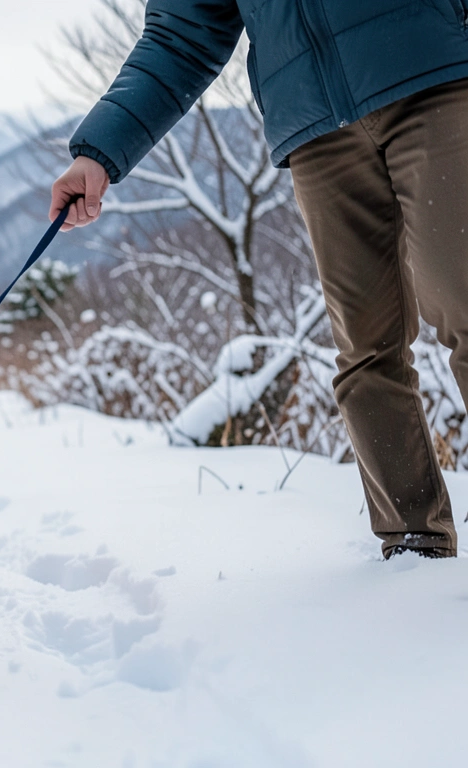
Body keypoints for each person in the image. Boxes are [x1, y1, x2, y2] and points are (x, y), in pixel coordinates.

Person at [51, 0, 468, 559]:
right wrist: (101, 151)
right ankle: (413, 546)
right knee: (367, 346)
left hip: (433, 75)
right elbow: (182, 33)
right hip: (315, 124)